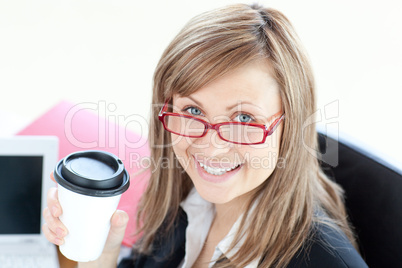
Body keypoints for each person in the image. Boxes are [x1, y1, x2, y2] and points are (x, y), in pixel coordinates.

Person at [43, 3, 369, 268]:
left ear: (291, 126)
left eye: (243, 118)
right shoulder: (184, 204)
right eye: (193, 111)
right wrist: (100, 258)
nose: (211, 148)